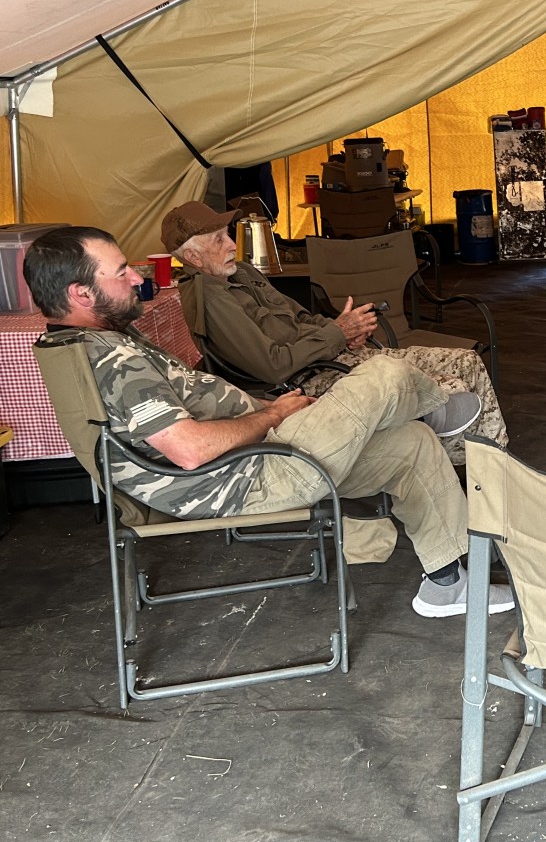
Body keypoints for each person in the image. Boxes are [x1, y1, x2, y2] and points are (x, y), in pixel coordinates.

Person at [23, 226, 514, 619]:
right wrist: (272, 414)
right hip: (249, 476)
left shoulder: (85, 345)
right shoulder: (113, 361)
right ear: (81, 293)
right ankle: (433, 404)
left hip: (260, 454)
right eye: (120, 271)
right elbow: (188, 449)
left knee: (410, 443)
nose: (136, 277)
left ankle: (447, 585)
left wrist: (265, 411)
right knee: (384, 373)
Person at [161, 200, 506, 465]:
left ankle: (495, 470)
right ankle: (462, 481)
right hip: (306, 380)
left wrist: (340, 330)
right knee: (451, 387)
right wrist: (336, 335)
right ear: (192, 256)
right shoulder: (211, 298)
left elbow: (299, 317)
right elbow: (273, 367)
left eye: (227, 234)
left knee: (466, 361)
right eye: (219, 239)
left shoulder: (243, 274)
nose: (232, 244)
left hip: (333, 356)